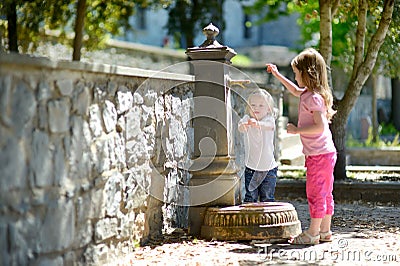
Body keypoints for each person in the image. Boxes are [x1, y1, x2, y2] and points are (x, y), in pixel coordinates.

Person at [266, 48, 337, 245]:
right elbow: (295, 91)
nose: (295, 77)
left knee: (316, 193)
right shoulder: (309, 93)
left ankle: (312, 233)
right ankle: (325, 231)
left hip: (319, 155)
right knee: (325, 192)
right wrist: (277, 74)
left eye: (297, 74)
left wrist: (296, 130)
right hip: (325, 153)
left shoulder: (313, 98)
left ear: (308, 73)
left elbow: (320, 127)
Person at [238, 89, 279, 203]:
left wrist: (258, 124)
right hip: (251, 168)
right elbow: (240, 127)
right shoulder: (247, 118)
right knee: (251, 197)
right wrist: (244, 126)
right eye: (253, 105)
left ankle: (267, 219)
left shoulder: (269, 119)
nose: (256, 108)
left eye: (261, 105)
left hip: (269, 169)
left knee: (267, 197)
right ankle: (250, 219)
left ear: (268, 109)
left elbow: (270, 126)